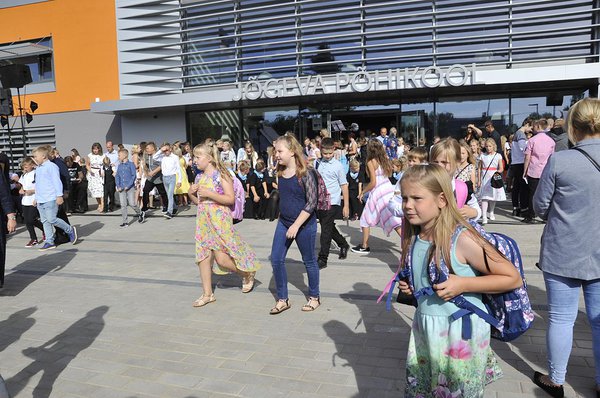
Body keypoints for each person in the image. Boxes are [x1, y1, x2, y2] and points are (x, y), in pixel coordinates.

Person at [398, 163, 521, 397]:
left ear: (442, 200)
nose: (408, 205)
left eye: (416, 198)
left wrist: (463, 284)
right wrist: (413, 287)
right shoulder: (416, 234)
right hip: (427, 329)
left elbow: (511, 277)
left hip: (459, 334)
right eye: (404, 198)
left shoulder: (462, 238)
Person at [531, 97, 600, 398]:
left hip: (562, 251)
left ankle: (556, 380)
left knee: (561, 318)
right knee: (599, 322)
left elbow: (539, 207)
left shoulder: (561, 160)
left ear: (573, 125)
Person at [188, 143, 261, 307]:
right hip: (203, 222)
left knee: (222, 260)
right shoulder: (199, 177)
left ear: (209, 158)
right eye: (194, 157)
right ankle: (207, 294)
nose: (194, 161)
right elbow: (199, 202)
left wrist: (210, 194)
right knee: (203, 258)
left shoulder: (222, 174)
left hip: (220, 221)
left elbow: (230, 199)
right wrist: (191, 194)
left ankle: (247, 273)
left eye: (198, 157)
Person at [269, 135, 321, 314]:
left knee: (309, 261)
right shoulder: (280, 171)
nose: (276, 154)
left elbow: (312, 202)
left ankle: (314, 297)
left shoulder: (305, 172)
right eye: (275, 151)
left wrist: (296, 225)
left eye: (280, 151)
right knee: (276, 259)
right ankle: (283, 299)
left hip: (304, 225)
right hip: (284, 222)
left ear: (292, 152)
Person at [351, 139, 402, 254]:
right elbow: (388, 175)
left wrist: (363, 192)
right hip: (388, 189)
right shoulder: (384, 159)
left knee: (365, 219)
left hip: (378, 192)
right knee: (393, 219)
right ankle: (408, 244)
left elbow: (373, 182)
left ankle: (364, 246)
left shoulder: (370, 161)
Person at [32, 146, 77, 251]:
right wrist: (36, 198)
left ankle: (70, 230)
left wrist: (59, 195)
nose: (34, 158)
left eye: (35, 156)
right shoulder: (38, 168)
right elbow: (38, 185)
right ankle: (49, 241)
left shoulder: (51, 166)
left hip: (50, 198)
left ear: (43, 156)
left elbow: (57, 181)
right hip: (41, 199)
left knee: (52, 219)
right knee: (45, 221)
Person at [316, 138, 350, 269]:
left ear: (334, 150)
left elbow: (344, 185)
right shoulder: (318, 163)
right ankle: (342, 244)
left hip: (333, 201)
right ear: (321, 150)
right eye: (325, 153)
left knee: (325, 230)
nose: (328, 156)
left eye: (330, 153)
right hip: (320, 201)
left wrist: (346, 205)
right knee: (328, 226)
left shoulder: (338, 166)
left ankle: (322, 258)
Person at [430, 138, 481, 221]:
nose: (439, 166)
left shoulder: (461, 187)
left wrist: (472, 212)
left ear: (457, 162)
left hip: (454, 230)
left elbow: (476, 208)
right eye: (435, 162)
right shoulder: (425, 184)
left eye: (444, 162)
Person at [522, 119, 555, 223]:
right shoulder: (551, 141)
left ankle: (531, 215)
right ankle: (546, 216)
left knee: (532, 193)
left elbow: (527, 157)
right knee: (546, 194)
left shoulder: (532, 140)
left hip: (533, 170)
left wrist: (525, 171)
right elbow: (552, 157)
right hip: (546, 170)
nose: (533, 128)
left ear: (539, 127)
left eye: (535, 126)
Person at [478, 138, 506, 224]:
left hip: (493, 177)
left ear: (493, 146)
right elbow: (479, 168)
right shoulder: (482, 156)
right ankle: (484, 216)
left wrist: (497, 173)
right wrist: (479, 179)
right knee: (484, 197)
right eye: (486, 146)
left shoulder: (498, 156)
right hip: (485, 177)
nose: (488, 148)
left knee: (493, 196)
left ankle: (491, 212)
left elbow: (501, 168)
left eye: (490, 146)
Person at [139, 142, 169, 222]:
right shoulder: (147, 156)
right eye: (146, 148)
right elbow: (145, 164)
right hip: (150, 178)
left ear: (153, 148)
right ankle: (145, 207)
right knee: (145, 190)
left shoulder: (158, 155)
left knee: (162, 193)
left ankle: (166, 206)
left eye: (148, 148)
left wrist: (154, 172)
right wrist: (146, 172)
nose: (146, 150)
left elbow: (161, 165)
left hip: (158, 178)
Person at [19, 157, 44, 247]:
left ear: (32, 165)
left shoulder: (36, 173)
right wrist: (21, 190)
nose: (25, 168)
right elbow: (22, 185)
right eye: (24, 166)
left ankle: (41, 233)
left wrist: (32, 192)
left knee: (31, 219)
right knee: (27, 221)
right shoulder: (24, 175)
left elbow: (40, 186)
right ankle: (34, 238)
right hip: (25, 200)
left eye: (26, 166)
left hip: (34, 199)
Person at [153, 143, 182, 219]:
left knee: (169, 195)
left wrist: (179, 180)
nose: (166, 151)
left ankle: (169, 212)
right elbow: (154, 157)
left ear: (170, 149)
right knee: (169, 195)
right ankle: (175, 207)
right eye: (164, 150)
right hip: (164, 177)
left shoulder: (175, 157)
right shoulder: (162, 157)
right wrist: (161, 150)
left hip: (172, 177)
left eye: (167, 150)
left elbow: (178, 169)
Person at [510, 119, 532, 216]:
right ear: (527, 125)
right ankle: (524, 208)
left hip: (515, 162)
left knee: (516, 186)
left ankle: (516, 207)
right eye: (530, 127)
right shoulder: (521, 134)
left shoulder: (516, 134)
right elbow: (523, 148)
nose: (531, 130)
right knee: (523, 187)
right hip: (520, 162)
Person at [115, 149, 140, 227]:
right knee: (123, 205)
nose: (118, 157)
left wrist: (128, 186)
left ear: (125, 155)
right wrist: (118, 186)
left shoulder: (131, 164)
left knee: (132, 203)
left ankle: (140, 212)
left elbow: (133, 176)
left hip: (130, 188)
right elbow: (117, 176)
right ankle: (125, 222)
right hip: (121, 188)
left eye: (119, 155)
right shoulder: (119, 165)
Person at [86, 143, 105, 212]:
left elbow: (105, 164)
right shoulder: (90, 155)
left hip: (100, 173)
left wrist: (103, 172)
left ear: (99, 149)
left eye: (96, 149)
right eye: (94, 149)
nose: (95, 150)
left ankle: (103, 205)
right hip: (93, 174)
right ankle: (99, 203)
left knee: (101, 190)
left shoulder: (103, 156)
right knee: (95, 191)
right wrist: (90, 171)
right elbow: (87, 165)